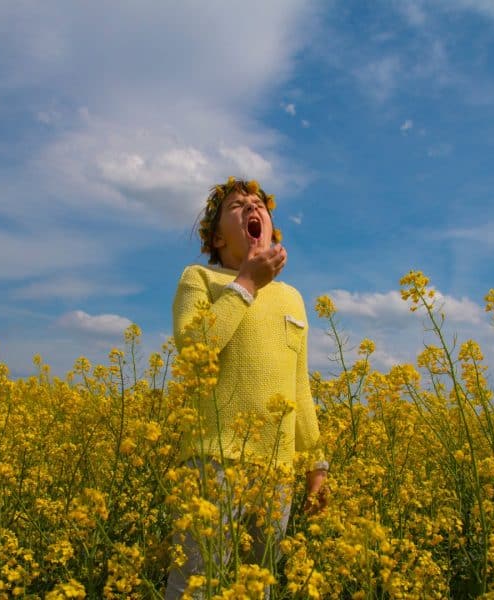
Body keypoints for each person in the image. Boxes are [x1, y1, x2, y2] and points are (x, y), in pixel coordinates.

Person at [165, 177, 327, 599]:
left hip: (276, 473)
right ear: (217, 238)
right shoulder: (200, 278)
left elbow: (299, 387)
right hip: (212, 463)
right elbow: (196, 349)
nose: (252, 207)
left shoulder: (292, 298)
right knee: (197, 588)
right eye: (238, 206)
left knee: (257, 588)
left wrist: (316, 465)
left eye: (259, 204)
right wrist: (247, 284)